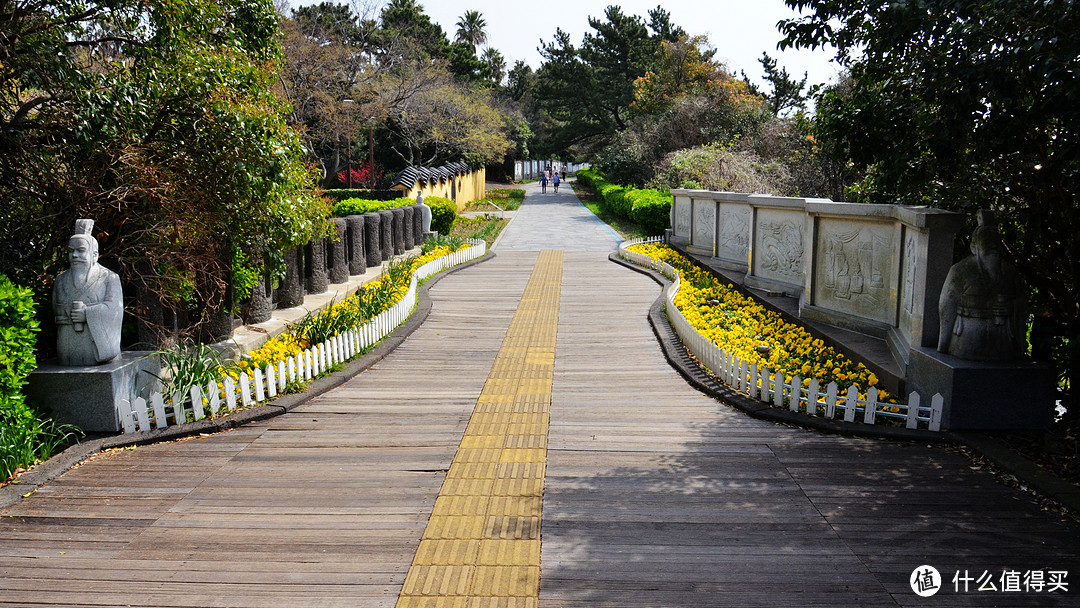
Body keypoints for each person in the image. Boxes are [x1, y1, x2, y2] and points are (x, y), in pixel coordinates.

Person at [937, 210, 1026, 361]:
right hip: (968, 335)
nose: (993, 249)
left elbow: (1022, 301)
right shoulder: (961, 270)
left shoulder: (1009, 272)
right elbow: (947, 305)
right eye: (987, 245)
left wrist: (1012, 307)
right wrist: (944, 342)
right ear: (974, 248)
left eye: (996, 245)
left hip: (1003, 337)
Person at [53, 219, 123, 366]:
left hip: (95, 347)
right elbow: (55, 308)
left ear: (94, 254)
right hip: (67, 344)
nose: (74, 255)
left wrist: (87, 313)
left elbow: (115, 309)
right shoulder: (60, 280)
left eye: (80, 250)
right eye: (71, 251)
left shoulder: (109, 278)